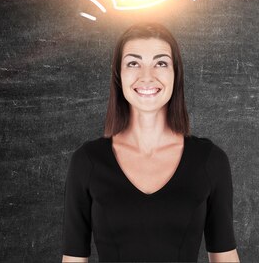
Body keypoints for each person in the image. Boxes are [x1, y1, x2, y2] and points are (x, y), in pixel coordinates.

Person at [61, 23, 240, 262]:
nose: (147, 76)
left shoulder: (210, 161)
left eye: (161, 63)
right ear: (118, 74)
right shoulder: (87, 162)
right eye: (133, 63)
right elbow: (73, 259)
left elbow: (225, 257)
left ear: (175, 74)